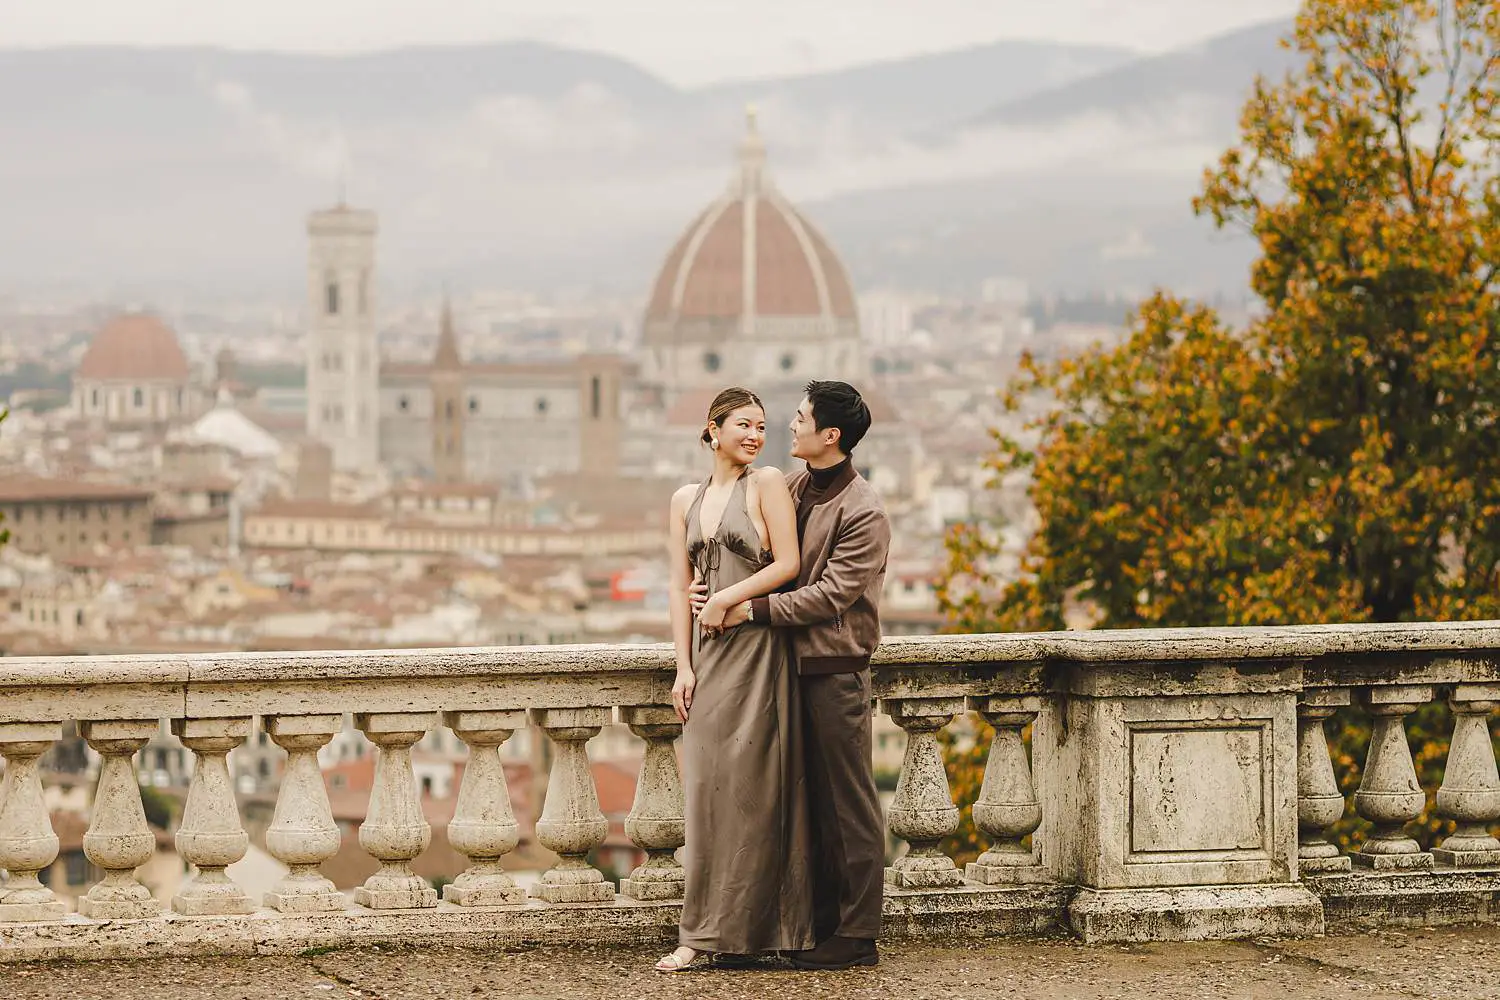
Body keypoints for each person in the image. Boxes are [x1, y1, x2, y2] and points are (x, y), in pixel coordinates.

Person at [693, 380, 891, 971]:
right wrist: (706, 585)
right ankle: (814, 923)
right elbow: (760, 554)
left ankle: (857, 934)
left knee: (847, 802)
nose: (790, 425)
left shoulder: (864, 510)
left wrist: (745, 607)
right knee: (802, 802)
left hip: (833, 668)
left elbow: (829, 596)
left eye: (801, 418)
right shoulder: (793, 486)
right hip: (778, 668)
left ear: (831, 434)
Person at [654, 386, 815, 973]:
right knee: (705, 795)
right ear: (712, 429)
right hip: (709, 655)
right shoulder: (684, 498)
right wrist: (682, 665)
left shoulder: (767, 483)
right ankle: (701, 934)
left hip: (758, 650)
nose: (755, 435)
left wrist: (727, 595)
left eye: (762, 426)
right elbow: (678, 586)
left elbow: (788, 565)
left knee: (757, 793)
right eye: (743, 424)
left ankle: (765, 932)